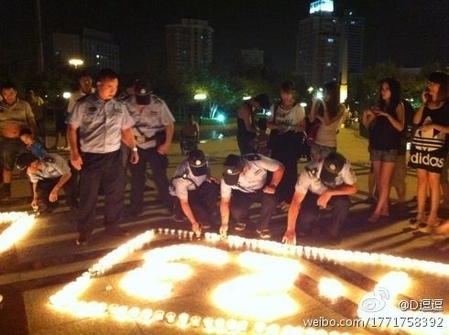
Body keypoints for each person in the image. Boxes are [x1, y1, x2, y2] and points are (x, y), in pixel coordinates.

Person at [67, 68, 139, 245]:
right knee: (88, 197)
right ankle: (84, 230)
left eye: (115, 86)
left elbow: (126, 130)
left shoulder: (120, 107)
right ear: (98, 85)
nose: (113, 90)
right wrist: (74, 153)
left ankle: (113, 226)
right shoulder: (83, 104)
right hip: (91, 157)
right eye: (109, 86)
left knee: (116, 194)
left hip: (114, 156)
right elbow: (71, 128)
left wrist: (134, 149)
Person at [124, 78, 175, 217]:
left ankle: (170, 204)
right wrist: (131, 147)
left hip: (154, 145)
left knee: (160, 176)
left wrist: (167, 144)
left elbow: (169, 125)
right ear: (134, 93)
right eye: (140, 98)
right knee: (136, 178)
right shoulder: (125, 104)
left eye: (146, 97)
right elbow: (123, 128)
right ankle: (136, 208)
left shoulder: (158, 104)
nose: (142, 102)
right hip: (135, 145)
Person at [282, 152, 357, 246]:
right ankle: (303, 230)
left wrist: (329, 193)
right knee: (308, 214)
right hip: (312, 193)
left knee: (344, 203)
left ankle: (332, 232)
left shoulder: (345, 166)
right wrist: (290, 230)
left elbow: (353, 188)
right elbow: (296, 200)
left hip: (334, 191)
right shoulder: (310, 169)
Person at [408, 71, 449, 233]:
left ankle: (432, 216)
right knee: (421, 180)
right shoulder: (427, 104)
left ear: (442, 86)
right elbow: (416, 121)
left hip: (437, 148)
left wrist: (434, 126)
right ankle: (420, 215)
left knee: (434, 181)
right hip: (421, 145)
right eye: (429, 83)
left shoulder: (447, 105)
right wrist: (424, 103)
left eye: (433, 83)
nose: (429, 86)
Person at [362, 78, 405, 223]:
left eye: (387, 88)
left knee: (385, 181)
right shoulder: (378, 106)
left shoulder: (397, 106)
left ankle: (377, 211)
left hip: (390, 148)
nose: (383, 91)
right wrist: (367, 113)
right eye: (382, 89)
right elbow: (367, 124)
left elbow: (400, 127)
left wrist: (387, 115)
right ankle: (384, 208)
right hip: (376, 146)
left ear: (393, 90)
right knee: (379, 180)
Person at [219, 153, 285, 239]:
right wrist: (224, 224)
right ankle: (242, 221)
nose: (236, 178)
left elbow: (280, 168)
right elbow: (225, 201)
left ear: (245, 169)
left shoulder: (257, 161)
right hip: (243, 192)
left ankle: (262, 227)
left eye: (237, 175)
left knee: (271, 199)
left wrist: (273, 185)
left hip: (262, 188)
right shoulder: (226, 179)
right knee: (236, 208)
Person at [267, 80, 306, 211]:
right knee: (276, 168)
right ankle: (277, 197)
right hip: (278, 141)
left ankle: (289, 199)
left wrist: (289, 127)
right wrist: (278, 126)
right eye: (284, 93)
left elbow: (302, 127)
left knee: (290, 171)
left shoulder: (298, 108)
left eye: (288, 94)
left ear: (292, 94)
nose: (286, 97)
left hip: (291, 142)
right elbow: (269, 124)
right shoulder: (275, 107)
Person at [0, 81, 38, 201]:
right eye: (5, 93)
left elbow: (31, 121)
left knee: (30, 164)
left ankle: (35, 192)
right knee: (7, 165)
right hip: (7, 140)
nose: (8, 96)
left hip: (24, 139)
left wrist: (33, 137)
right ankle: (6, 192)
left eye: (11, 93)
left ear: (15, 92)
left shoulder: (24, 105)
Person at [169, 149, 220, 234]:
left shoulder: (205, 162)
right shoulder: (181, 176)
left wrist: (209, 177)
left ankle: (205, 213)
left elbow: (206, 172)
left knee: (213, 185)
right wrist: (193, 222)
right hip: (187, 193)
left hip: (198, 187)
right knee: (200, 212)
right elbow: (184, 202)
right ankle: (179, 209)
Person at [308, 81, 347, 162]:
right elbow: (311, 119)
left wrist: (324, 105)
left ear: (332, 94)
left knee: (326, 172)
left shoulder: (340, 107)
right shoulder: (320, 106)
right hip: (316, 143)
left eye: (326, 92)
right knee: (314, 170)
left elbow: (327, 122)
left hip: (329, 146)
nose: (324, 94)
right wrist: (314, 103)